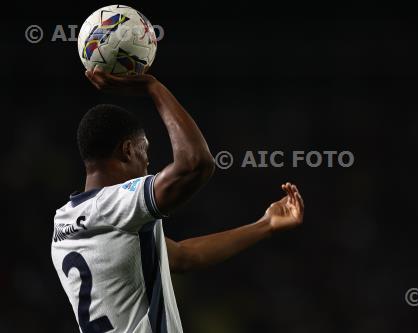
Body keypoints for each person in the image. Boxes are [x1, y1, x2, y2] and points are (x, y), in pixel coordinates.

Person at [51, 67, 305, 333]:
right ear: (128, 150)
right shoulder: (116, 206)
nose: (148, 162)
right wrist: (153, 87)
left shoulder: (63, 223)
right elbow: (196, 163)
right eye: (144, 151)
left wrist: (265, 224)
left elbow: (184, 257)